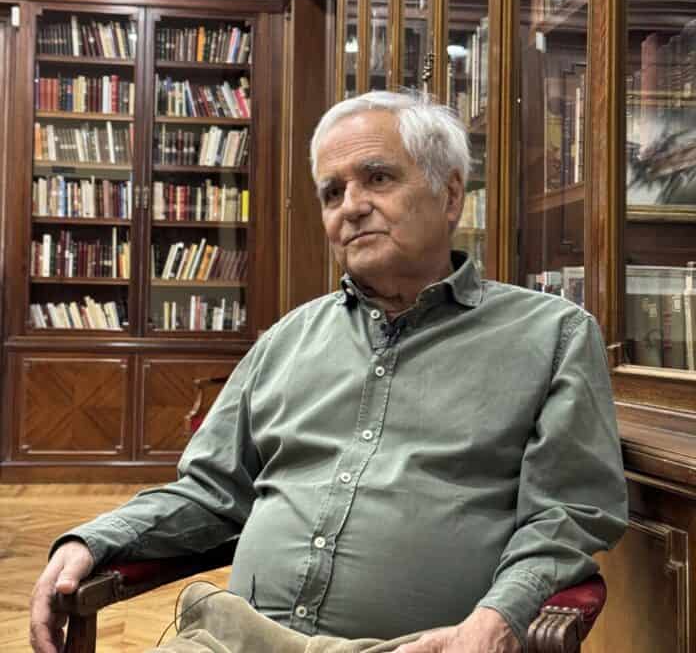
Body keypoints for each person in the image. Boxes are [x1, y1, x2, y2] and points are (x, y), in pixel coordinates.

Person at [30, 91, 628, 653]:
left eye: (378, 178)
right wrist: (95, 539)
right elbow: (211, 492)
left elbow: (567, 515)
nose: (352, 206)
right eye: (332, 192)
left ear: (450, 196)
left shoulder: (551, 335)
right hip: (237, 638)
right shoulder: (286, 340)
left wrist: (499, 620)